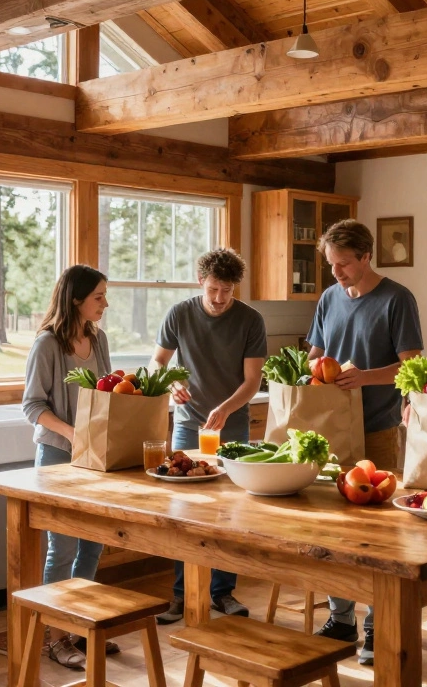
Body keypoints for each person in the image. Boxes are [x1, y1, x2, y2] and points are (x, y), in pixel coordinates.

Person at [307, 219, 423, 665]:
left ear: (366, 256)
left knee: (378, 535)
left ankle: (378, 626)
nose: (336, 273)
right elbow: (317, 353)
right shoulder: (329, 298)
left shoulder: (397, 298)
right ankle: (341, 619)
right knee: (333, 529)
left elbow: (411, 367)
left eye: (343, 265)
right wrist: (306, 368)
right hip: (331, 429)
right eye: (331, 265)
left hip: (376, 426)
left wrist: (365, 377)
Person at [151, 248, 266, 625]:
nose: (219, 299)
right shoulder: (179, 314)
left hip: (232, 428)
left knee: (229, 515)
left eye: (227, 291)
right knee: (187, 514)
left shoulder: (250, 320)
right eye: (214, 289)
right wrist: (172, 383)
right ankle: (182, 596)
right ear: (201, 281)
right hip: (188, 424)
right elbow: (158, 362)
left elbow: (252, 382)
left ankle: (222, 593)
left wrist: (226, 408)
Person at [21, 264, 118, 670]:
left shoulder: (98, 339)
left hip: (95, 458)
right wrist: (72, 433)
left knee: (92, 544)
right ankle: (57, 638)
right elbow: (32, 406)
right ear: (76, 299)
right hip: (59, 458)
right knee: (62, 549)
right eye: (98, 297)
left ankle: (83, 626)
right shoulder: (47, 345)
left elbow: (107, 390)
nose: (105, 304)